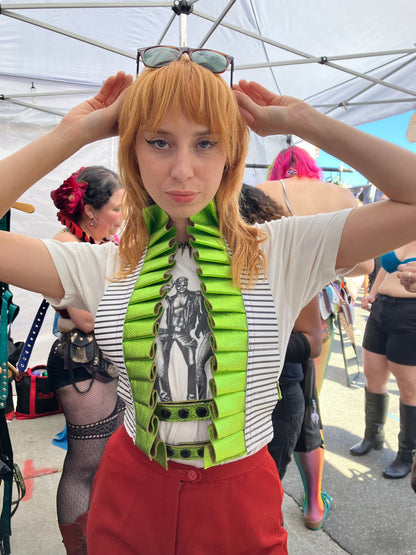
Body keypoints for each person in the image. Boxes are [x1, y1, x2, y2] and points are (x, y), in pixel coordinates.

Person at [1, 48, 416, 553]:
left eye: (205, 143)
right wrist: (75, 133)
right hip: (129, 492)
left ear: (231, 154)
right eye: (158, 142)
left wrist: (309, 124)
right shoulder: (100, 265)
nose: (182, 170)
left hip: (240, 503)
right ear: (132, 151)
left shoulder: (282, 249)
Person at [257, 145, 373, 529]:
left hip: (271, 303)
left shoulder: (264, 191)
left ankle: (263, 488)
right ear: (312, 168)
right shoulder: (339, 196)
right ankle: (312, 504)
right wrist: (323, 267)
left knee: (264, 393)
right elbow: (366, 264)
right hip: (319, 308)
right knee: (307, 402)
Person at [47, 166, 125, 554]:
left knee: (106, 461)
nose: (122, 215)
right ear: (91, 210)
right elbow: (87, 319)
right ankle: (78, 549)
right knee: (84, 464)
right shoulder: (66, 245)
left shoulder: (98, 246)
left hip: (100, 364)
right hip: (82, 364)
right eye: (117, 207)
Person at [239, 184, 323, 487]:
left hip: (277, 397)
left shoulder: (287, 267)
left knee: (263, 491)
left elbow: (314, 340)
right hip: (219, 399)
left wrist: (240, 341)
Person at [350, 241, 416, 479]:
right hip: (381, 311)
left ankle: (407, 455)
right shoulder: (406, 224)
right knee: (373, 374)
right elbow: (385, 268)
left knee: (409, 389)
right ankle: (373, 436)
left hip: (411, 317)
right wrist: (373, 293)